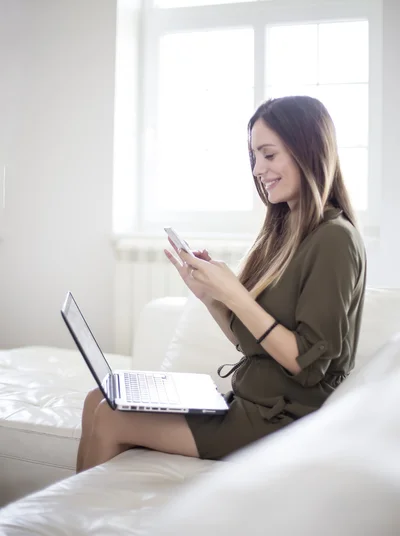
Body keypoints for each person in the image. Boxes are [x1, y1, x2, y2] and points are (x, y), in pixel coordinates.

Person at [76, 95, 366, 472]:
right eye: (254, 157)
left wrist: (235, 293)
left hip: (283, 422)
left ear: (307, 150)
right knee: (97, 398)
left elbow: (307, 365)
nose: (258, 169)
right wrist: (211, 297)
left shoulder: (334, 240)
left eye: (269, 154)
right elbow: (253, 343)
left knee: (110, 416)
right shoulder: (288, 233)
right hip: (252, 405)